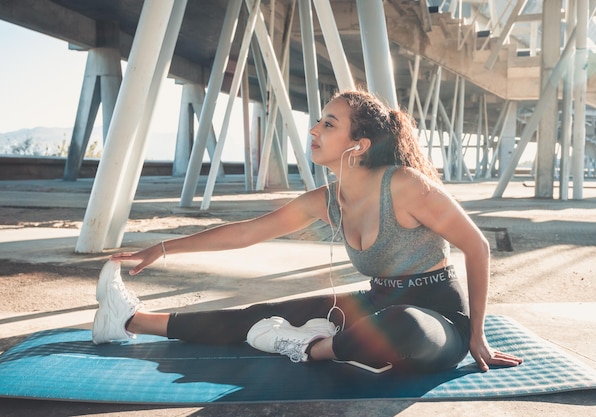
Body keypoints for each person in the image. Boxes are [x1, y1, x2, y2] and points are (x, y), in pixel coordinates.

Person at [93, 89, 523, 373]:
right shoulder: (326, 199)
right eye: (318, 121)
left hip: (437, 316)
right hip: (376, 301)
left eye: (329, 124)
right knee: (257, 316)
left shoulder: (406, 185)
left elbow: (477, 246)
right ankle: (130, 320)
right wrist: (163, 248)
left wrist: (477, 335)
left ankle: (311, 347)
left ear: (360, 145)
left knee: (402, 324)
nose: (314, 130)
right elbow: (246, 233)